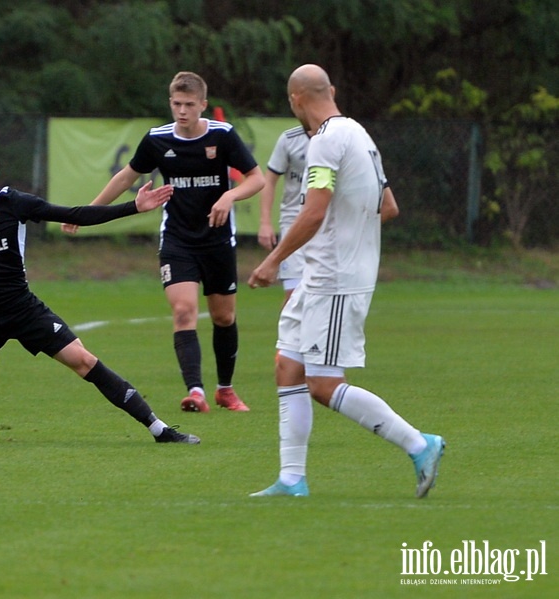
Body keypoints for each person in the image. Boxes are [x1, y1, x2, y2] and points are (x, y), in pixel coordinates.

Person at [0, 137, 200, 444]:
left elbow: (73, 214)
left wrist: (133, 206)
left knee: (83, 360)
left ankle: (158, 428)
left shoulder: (13, 203)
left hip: (22, 308)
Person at [247, 64, 445, 498]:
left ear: (295, 100)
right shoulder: (358, 134)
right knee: (288, 366)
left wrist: (273, 261)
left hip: (334, 279)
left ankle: (419, 443)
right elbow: (387, 205)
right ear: (330, 91)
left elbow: (314, 211)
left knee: (321, 383)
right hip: (322, 275)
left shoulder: (324, 141)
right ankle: (292, 479)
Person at [63, 71, 266, 414]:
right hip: (178, 240)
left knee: (224, 317)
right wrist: (87, 212)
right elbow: (126, 176)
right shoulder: (157, 140)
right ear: (170, 103)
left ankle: (225, 390)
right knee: (184, 311)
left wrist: (229, 197)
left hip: (216, 240)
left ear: (202, 104)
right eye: (176, 104)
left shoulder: (223, 136)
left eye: (189, 104)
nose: (182, 111)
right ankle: (196, 391)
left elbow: (256, 179)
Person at [258, 125, 310, 305]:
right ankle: (287, 335)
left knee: (323, 295)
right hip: (293, 222)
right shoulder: (289, 139)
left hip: (329, 224)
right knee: (293, 297)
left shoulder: (339, 136)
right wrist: (265, 223)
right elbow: (269, 180)